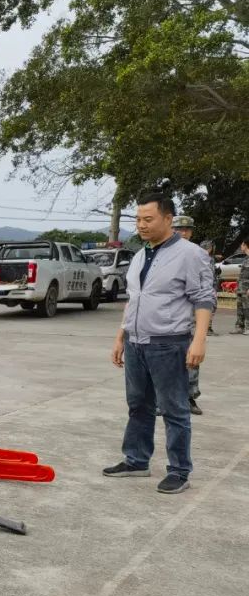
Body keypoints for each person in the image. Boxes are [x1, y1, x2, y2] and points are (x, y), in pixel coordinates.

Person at [104, 193, 215, 495]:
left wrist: (199, 341)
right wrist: (120, 337)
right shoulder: (140, 255)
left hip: (169, 344)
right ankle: (137, 460)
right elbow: (133, 300)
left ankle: (179, 470)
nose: (141, 225)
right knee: (138, 404)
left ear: (168, 219)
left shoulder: (191, 254)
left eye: (148, 219)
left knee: (174, 409)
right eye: (138, 219)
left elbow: (204, 298)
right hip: (136, 342)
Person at [172, 216, 206, 413]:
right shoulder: (163, 253)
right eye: (178, 229)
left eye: (187, 230)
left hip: (191, 314)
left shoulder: (199, 254)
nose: (183, 233)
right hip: (168, 315)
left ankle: (190, 397)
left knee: (191, 357)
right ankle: (163, 398)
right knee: (166, 358)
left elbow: (206, 286)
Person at [231, 240, 249, 335]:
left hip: (247, 288)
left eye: (241, 245)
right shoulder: (246, 258)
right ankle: (239, 327)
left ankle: (248, 327)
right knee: (240, 308)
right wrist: (237, 286)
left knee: (247, 308)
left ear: (245, 245)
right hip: (241, 288)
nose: (241, 247)